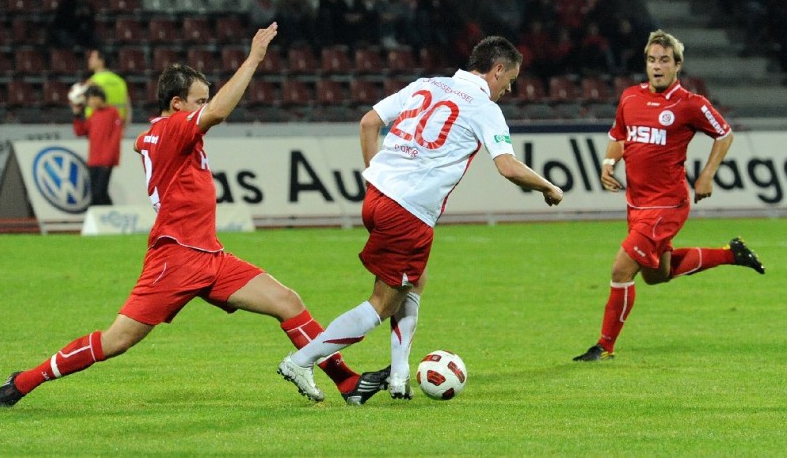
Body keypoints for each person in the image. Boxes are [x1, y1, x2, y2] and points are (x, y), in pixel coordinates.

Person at [0, 23, 387, 408]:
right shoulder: (172, 130)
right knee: (118, 340)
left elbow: (173, 133)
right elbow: (216, 113)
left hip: (210, 256)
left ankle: (348, 382)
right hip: (175, 259)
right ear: (177, 104)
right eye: (198, 100)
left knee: (286, 301)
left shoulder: (165, 134)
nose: (204, 106)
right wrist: (253, 59)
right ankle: (25, 380)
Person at [276, 36, 564, 401]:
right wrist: (548, 187)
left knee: (415, 280)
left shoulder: (426, 85)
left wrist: (377, 176)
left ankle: (399, 376)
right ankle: (301, 360)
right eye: (510, 81)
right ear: (498, 69)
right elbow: (507, 167)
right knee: (381, 303)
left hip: (378, 196)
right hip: (408, 211)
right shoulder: (483, 106)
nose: (509, 89)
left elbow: (368, 122)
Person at [572, 29, 766, 362]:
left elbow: (724, 134)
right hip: (636, 204)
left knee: (621, 270)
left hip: (667, 205)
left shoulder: (690, 104)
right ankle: (730, 254)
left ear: (677, 65)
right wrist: (608, 162)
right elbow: (620, 135)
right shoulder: (630, 97)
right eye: (651, 60)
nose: (657, 66)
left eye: (664, 60)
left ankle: (604, 346)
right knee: (655, 275)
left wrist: (706, 175)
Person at [71, 85, 124, 206]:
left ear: (97, 98)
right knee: (98, 195)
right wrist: (77, 115)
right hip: (93, 160)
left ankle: (108, 216)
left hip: (105, 160)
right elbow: (80, 131)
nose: (89, 103)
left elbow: (115, 138)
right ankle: (108, 218)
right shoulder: (93, 115)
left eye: (90, 99)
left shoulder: (113, 112)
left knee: (99, 193)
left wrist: (109, 159)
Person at [85, 48, 132, 127]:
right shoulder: (119, 81)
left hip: (98, 125)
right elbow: (127, 106)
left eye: (92, 57)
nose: (89, 60)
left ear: (101, 61)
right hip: (117, 125)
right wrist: (124, 126)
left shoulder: (92, 81)